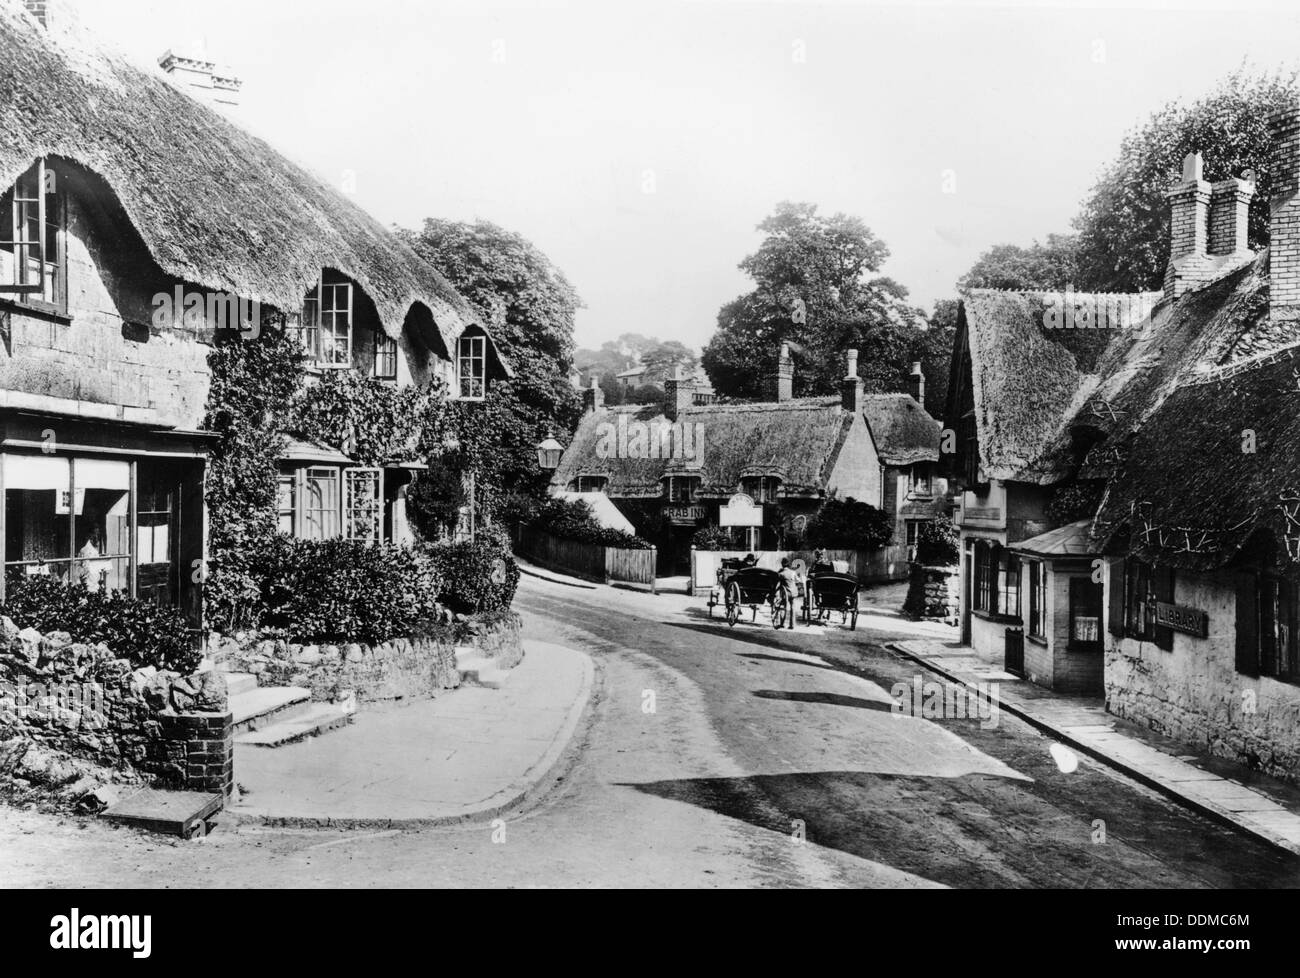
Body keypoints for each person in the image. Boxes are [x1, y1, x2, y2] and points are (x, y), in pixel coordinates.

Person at [777, 557, 800, 630]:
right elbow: (798, 580)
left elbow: (777, 583)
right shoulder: (793, 572)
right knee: (793, 607)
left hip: (785, 594)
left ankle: (782, 623)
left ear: (782, 565)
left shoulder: (781, 573)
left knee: (783, 607)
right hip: (793, 593)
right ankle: (792, 624)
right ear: (788, 564)